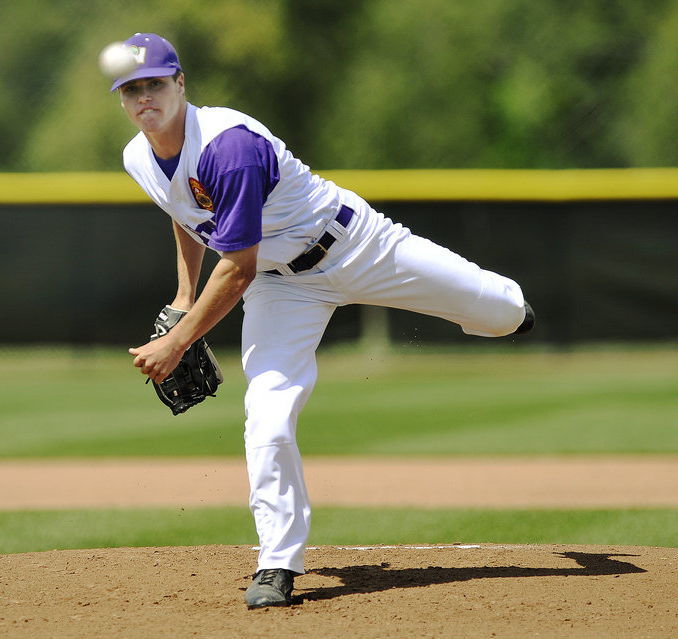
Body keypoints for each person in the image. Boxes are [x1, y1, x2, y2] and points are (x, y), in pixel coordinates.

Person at [115, 33, 535, 608]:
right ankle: (277, 563)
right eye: (131, 89)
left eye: (155, 84)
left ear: (181, 84)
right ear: (121, 99)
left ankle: (506, 312)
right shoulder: (138, 156)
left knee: (505, 312)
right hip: (281, 288)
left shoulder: (228, 146)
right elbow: (187, 216)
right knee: (267, 415)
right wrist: (185, 295)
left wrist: (179, 339)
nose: (145, 98)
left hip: (355, 245)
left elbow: (235, 266)